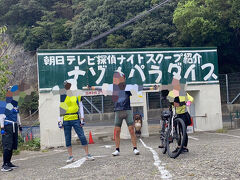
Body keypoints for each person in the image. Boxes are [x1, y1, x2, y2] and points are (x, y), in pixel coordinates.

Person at [58, 81, 94, 163]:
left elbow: (81, 106)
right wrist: (59, 120)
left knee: (82, 136)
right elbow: (62, 108)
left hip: (75, 118)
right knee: (68, 138)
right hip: (66, 119)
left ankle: (88, 154)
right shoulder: (63, 95)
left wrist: (82, 118)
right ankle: (70, 156)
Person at [111, 71, 140, 156]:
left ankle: (135, 148)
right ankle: (117, 150)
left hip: (127, 110)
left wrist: (151, 87)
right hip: (117, 110)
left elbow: (138, 87)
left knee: (131, 130)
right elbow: (100, 88)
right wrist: (90, 86)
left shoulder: (127, 87)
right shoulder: (113, 87)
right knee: (117, 131)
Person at [0, 86, 22, 172]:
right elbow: (1, 117)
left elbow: (17, 116)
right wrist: (2, 128)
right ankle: (4, 165)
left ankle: (9, 163)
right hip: (7, 125)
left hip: (14, 125)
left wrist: (20, 125)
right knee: (7, 145)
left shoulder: (15, 104)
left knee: (12, 145)